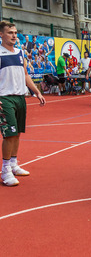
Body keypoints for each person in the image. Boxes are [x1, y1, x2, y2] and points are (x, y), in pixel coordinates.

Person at [0, 21, 46, 186]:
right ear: (1, 34)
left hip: (20, 97)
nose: (14, 35)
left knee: (17, 132)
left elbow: (26, 75)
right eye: (10, 32)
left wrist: (37, 91)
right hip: (4, 97)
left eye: (15, 32)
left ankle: (13, 164)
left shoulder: (20, 53)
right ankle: (5, 171)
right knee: (10, 134)